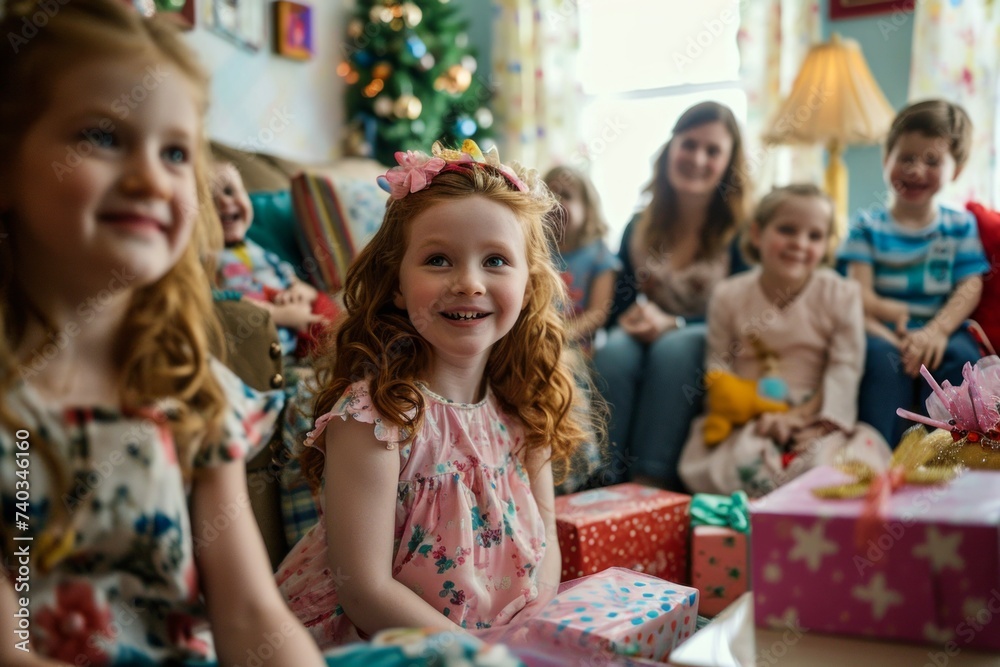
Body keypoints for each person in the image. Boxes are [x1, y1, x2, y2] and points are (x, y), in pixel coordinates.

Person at [0, 2, 326, 665]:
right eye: (101, 136)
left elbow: (250, 611)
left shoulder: (190, 385)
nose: (151, 178)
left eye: (176, 152)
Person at [275, 141, 600, 647]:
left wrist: (528, 632)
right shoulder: (374, 420)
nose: (469, 283)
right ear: (398, 284)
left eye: (495, 260)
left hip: (501, 642)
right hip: (386, 645)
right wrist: (477, 657)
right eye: (439, 260)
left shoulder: (523, 407)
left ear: (530, 284)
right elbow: (364, 590)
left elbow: (547, 541)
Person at [678, 185, 892, 496]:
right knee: (742, 465)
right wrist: (752, 411)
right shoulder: (728, 295)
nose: (799, 244)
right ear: (757, 233)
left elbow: (845, 364)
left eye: (814, 236)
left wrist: (816, 421)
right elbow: (718, 364)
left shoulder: (842, 295)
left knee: (833, 468)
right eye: (787, 230)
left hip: (817, 417)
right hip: (752, 417)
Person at [591, 101, 750, 490]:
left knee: (675, 348)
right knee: (613, 350)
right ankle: (603, 481)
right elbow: (617, 306)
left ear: (729, 163)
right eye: (689, 144)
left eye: (712, 151)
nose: (697, 158)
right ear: (670, 149)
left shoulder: (742, 234)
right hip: (647, 332)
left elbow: (748, 312)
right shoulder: (638, 226)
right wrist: (629, 319)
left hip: (710, 336)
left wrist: (676, 323)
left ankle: (651, 482)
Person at [838, 100, 989, 446]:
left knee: (962, 359)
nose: (916, 170)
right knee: (880, 360)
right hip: (880, 332)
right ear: (886, 158)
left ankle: (950, 455)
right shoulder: (865, 227)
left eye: (932, 160)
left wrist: (935, 332)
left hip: (940, 331)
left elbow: (969, 286)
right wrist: (898, 341)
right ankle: (877, 458)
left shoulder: (959, 225)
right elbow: (857, 298)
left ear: (957, 168)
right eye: (906, 158)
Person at [210, 160, 335, 359]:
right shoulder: (209, 256)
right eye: (210, 200)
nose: (224, 202)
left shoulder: (256, 247)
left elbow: (287, 276)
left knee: (331, 314)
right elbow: (219, 303)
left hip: (293, 320)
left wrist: (299, 291)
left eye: (230, 191)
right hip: (258, 336)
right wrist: (281, 315)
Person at [542, 166, 621, 352]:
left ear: (588, 208)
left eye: (566, 196)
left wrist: (562, 335)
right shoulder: (536, 250)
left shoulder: (600, 255)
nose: (555, 203)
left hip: (575, 348)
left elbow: (597, 313)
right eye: (549, 195)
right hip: (535, 338)